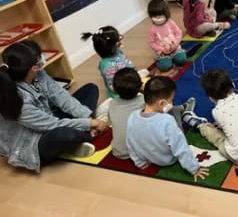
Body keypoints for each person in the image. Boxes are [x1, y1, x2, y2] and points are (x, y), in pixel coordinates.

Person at [0, 41, 108, 172]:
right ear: (34, 67)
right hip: (33, 141)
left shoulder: (38, 73)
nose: (43, 58)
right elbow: (51, 125)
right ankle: (84, 137)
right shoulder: (17, 99)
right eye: (40, 57)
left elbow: (60, 95)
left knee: (90, 89)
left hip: (49, 116)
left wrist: (87, 117)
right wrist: (90, 123)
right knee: (64, 135)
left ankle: (79, 138)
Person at [126, 76, 209, 181]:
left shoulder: (132, 116)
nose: (171, 102)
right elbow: (181, 148)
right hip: (167, 160)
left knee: (172, 113)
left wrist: (139, 163)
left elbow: (130, 144)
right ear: (161, 103)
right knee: (174, 115)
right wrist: (194, 169)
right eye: (171, 100)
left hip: (149, 158)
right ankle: (185, 113)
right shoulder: (167, 121)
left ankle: (181, 110)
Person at [81, 26, 134, 99]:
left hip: (131, 83)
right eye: (118, 40)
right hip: (121, 96)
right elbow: (113, 87)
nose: (120, 41)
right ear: (114, 46)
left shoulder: (118, 52)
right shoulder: (107, 66)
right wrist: (132, 87)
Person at [147, 0, 187, 72]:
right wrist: (162, 50)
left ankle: (174, 58)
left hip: (175, 48)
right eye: (155, 16)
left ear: (166, 14)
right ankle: (164, 61)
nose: (158, 18)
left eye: (160, 16)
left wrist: (174, 44)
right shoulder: (152, 29)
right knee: (164, 67)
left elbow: (179, 33)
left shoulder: (170, 22)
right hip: (163, 53)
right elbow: (151, 43)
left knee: (182, 60)